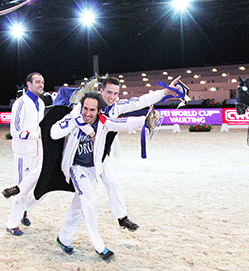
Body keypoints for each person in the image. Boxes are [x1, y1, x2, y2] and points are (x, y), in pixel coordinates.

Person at [69, 76, 182, 232]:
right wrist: (90, 131)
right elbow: (74, 117)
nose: (112, 97)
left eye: (116, 94)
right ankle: (25, 207)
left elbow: (140, 101)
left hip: (100, 154)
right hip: (78, 158)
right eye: (109, 92)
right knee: (44, 182)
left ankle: (122, 218)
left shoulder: (116, 107)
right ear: (101, 91)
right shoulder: (88, 105)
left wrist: (165, 92)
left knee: (113, 183)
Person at [51, 92, 153, 261]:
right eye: (85, 108)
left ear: (98, 111)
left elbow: (123, 123)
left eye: (92, 110)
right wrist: (75, 122)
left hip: (93, 170)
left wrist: (145, 121)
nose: (87, 113)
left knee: (77, 207)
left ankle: (63, 239)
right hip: (77, 169)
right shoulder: (73, 118)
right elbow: (54, 133)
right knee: (90, 204)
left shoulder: (104, 122)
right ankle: (100, 247)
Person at [5, 72, 46, 236]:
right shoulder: (20, 103)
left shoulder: (41, 103)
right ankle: (11, 224)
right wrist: (36, 136)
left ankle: (24, 210)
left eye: (42, 82)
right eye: (37, 82)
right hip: (24, 153)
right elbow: (14, 130)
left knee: (43, 188)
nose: (41, 84)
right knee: (22, 190)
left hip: (39, 152)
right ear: (28, 84)